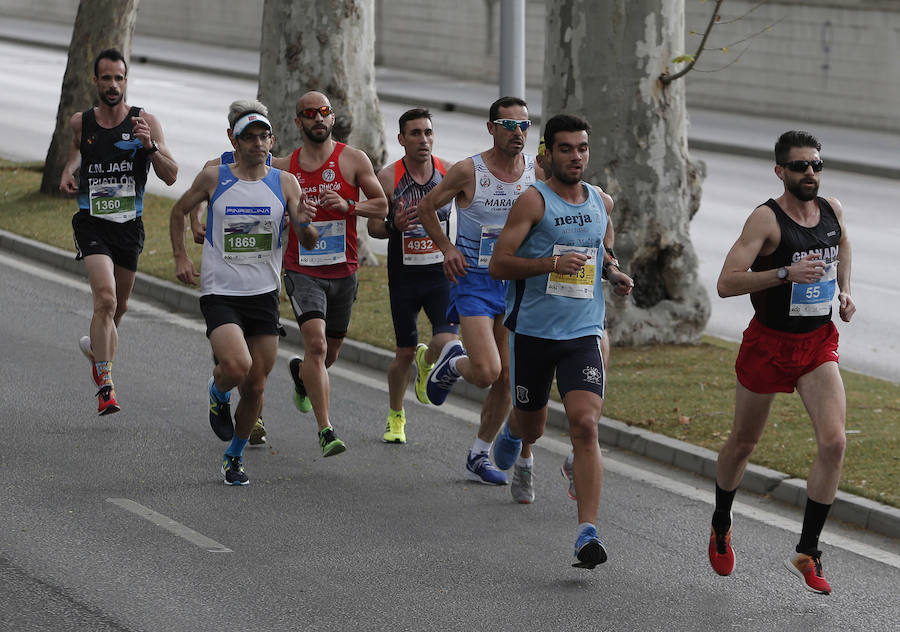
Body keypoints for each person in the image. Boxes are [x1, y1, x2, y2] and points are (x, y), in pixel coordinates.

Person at [708, 130, 854, 594]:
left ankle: (808, 551)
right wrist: (785, 273)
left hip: (816, 343)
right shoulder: (765, 219)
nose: (810, 173)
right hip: (768, 345)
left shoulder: (831, 210)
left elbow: (842, 246)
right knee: (743, 444)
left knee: (834, 442)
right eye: (799, 166)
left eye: (816, 165)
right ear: (780, 171)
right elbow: (727, 283)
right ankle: (721, 520)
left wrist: (845, 291)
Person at [488, 114, 633, 568]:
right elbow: (499, 264)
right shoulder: (533, 202)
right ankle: (515, 430)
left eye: (582, 148)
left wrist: (613, 271)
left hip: (582, 332)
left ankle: (587, 533)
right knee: (533, 426)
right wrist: (551, 265)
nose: (576, 157)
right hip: (533, 333)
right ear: (548, 153)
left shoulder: (600, 201)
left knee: (585, 426)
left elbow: (601, 248)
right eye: (566, 148)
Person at [169, 107, 317, 485]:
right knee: (236, 366)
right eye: (249, 137)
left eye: (263, 137)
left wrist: (303, 222)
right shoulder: (214, 177)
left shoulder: (285, 183)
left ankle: (233, 456)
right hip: (220, 291)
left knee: (256, 386)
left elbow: (308, 239)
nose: (257, 143)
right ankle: (218, 391)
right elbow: (179, 210)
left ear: (272, 141)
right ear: (234, 141)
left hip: (264, 295)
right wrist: (181, 255)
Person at [417, 96, 540, 487]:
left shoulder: (536, 171)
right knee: (487, 371)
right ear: (491, 128)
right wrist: (447, 248)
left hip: (515, 283)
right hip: (474, 279)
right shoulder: (469, 171)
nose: (518, 133)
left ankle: (478, 455)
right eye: (509, 125)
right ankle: (453, 362)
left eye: (524, 125)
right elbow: (426, 208)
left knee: (508, 378)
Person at [60, 48, 177, 415]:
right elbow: (77, 150)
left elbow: (172, 175)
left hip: (129, 226)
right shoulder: (81, 122)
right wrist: (69, 169)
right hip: (92, 222)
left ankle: (97, 352)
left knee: (119, 308)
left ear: (126, 81)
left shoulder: (145, 121)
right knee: (106, 300)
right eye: (106, 78)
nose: (113, 84)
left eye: (119, 78)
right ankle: (106, 387)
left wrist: (149, 146)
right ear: (95, 81)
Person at [273, 91, 388, 457]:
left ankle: (302, 377)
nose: (318, 118)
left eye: (324, 112)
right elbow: (243, 174)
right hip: (302, 270)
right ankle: (326, 430)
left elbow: (382, 205)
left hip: (344, 272)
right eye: (310, 113)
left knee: (329, 353)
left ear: (333, 118)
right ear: (298, 122)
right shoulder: (285, 167)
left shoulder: (353, 159)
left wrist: (349, 206)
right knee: (317, 346)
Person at [367, 108, 459, 443]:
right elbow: (373, 227)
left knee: (448, 340)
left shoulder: (448, 172)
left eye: (428, 132)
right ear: (401, 139)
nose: (423, 139)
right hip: (404, 277)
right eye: (415, 133)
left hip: (441, 274)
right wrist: (394, 225)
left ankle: (428, 359)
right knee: (404, 353)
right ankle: (396, 415)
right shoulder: (388, 177)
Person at [187, 98, 274, 446]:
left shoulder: (273, 167)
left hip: (260, 282)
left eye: (261, 128)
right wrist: (196, 223)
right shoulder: (216, 167)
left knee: (255, 369)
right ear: (232, 133)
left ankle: (251, 411)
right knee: (236, 360)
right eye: (244, 127)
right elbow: (191, 202)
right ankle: (226, 395)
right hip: (223, 281)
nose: (255, 138)